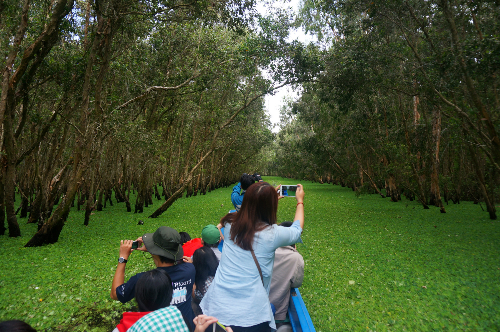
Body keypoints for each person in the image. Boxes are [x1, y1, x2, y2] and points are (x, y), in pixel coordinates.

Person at [200, 182, 305, 332]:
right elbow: (296, 230)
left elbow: (241, 213)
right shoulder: (272, 234)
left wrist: (263, 200)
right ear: (271, 207)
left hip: (216, 308)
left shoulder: (231, 223)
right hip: (250, 315)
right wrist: (299, 201)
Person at [110, 226, 196, 330]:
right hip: (184, 327)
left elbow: (115, 294)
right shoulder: (189, 269)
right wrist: (154, 250)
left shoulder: (143, 280)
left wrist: (122, 258)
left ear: (154, 251)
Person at [114, 269, 189, 332]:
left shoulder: (123, 328)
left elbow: (114, 294)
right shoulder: (180, 320)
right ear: (170, 294)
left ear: (137, 297)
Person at [269, 222, 305, 328]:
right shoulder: (296, 258)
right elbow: (296, 284)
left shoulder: (263, 249)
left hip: (253, 310)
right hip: (278, 315)